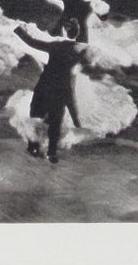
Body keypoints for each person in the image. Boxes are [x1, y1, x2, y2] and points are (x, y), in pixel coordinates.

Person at [8, 19, 90, 164]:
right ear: (76, 34)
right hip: (62, 87)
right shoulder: (79, 50)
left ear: (64, 31)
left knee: (36, 115)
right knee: (55, 121)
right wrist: (76, 119)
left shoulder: (55, 46)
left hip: (45, 86)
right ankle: (51, 152)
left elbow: (32, 42)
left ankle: (33, 146)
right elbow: (84, 54)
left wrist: (18, 30)